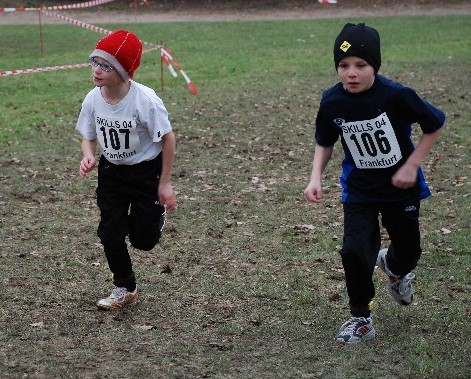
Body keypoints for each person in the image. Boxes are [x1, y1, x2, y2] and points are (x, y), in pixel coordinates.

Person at [303, 23, 445, 343]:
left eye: (360, 65)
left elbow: (434, 125)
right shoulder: (332, 101)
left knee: (408, 253)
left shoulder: (396, 95)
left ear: (375, 67)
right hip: (360, 190)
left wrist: (411, 166)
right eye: (343, 66)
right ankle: (361, 317)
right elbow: (325, 141)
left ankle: (394, 268)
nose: (351, 73)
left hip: (400, 190)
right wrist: (315, 178)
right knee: (354, 252)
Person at [76, 30, 177, 310]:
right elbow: (88, 135)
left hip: (146, 173)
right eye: (94, 61)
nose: (97, 69)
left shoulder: (145, 100)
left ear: (123, 71)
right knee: (110, 232)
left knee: (143, 241)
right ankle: (125, 286)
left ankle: (155, 216)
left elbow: (168, 139)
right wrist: (88, 156)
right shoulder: (93, 99)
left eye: (106, 65)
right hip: (111, 173)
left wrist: (165, 183)